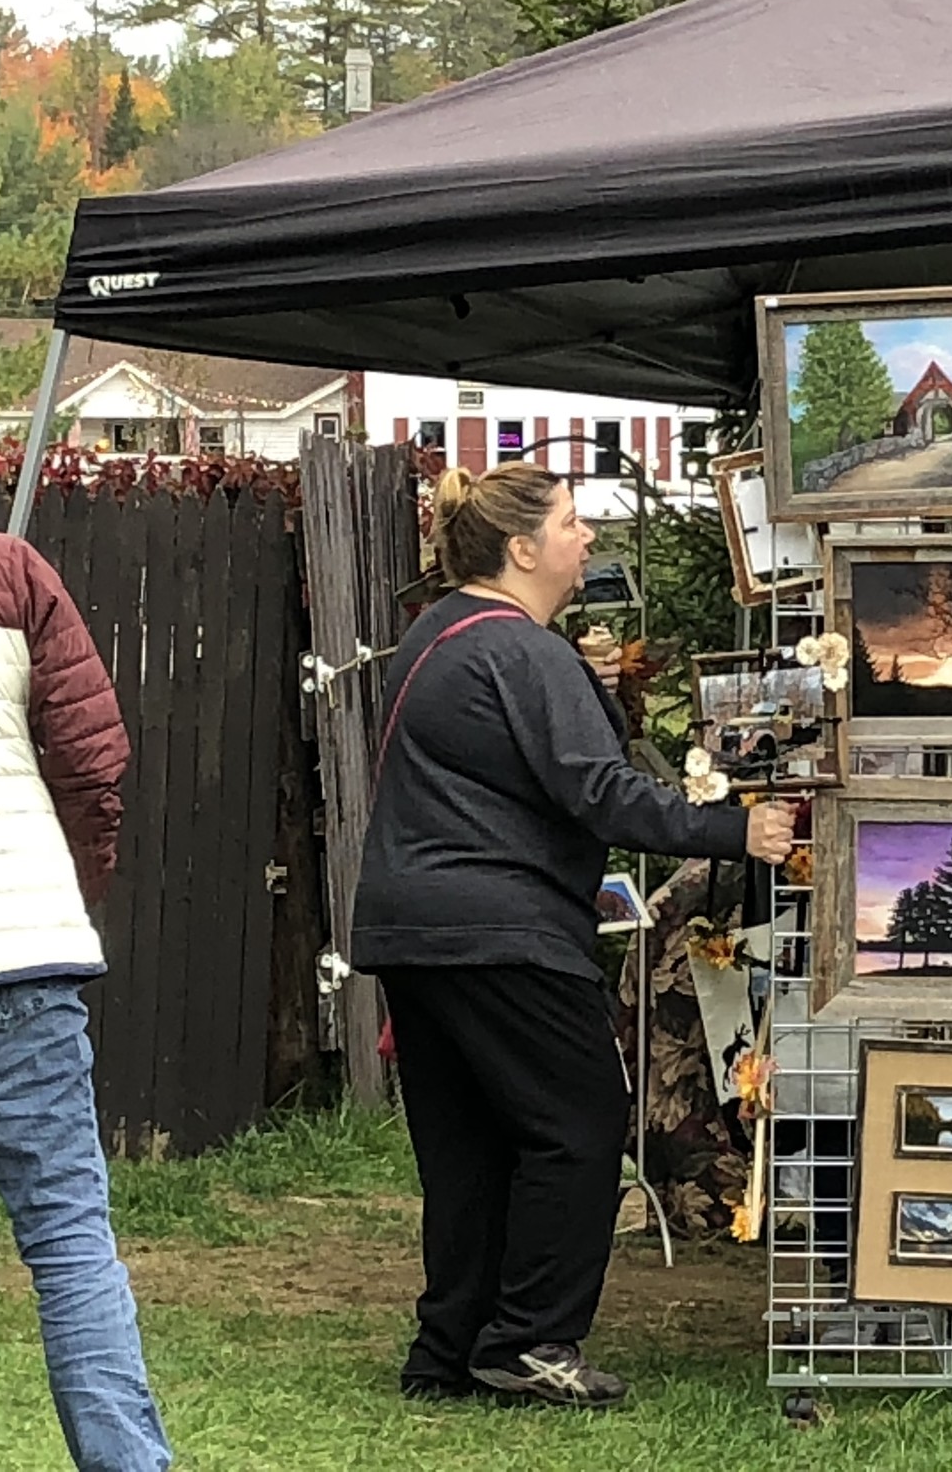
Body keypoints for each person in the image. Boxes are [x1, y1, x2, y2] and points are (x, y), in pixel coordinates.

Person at [354, 460, 795, 1410]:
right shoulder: (522, 651)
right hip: (501, 928)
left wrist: (585, 685)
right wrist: (734, 829)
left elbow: (531, 761)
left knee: (469, 1146)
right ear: (522, 549)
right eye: (570, 523)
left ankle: (451, 1349)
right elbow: (599, 790)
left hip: (411, 926)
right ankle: (531, 1343)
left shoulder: (441, 633)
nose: (586, 536)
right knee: (579, 1124)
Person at [0, 360, 172, 1471]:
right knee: (65, 1239)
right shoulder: (7, 572)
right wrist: (67, 889)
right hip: (12, 947)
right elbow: (92, 763)